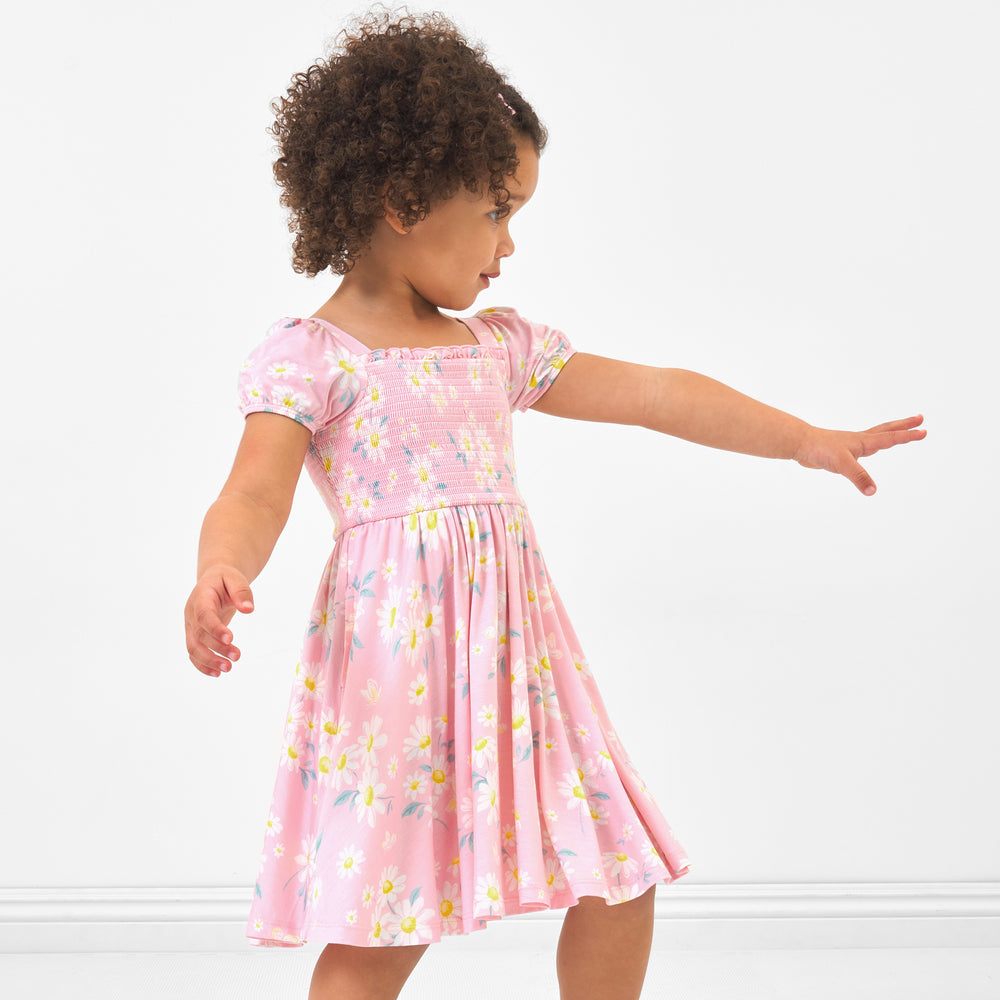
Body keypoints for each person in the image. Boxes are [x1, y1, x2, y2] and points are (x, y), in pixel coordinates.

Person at [183, 10, 925, 999]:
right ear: (405, 199)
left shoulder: (498, 346)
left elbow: (656, 390)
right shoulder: (311, 360)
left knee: (618, 872)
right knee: (384, 928)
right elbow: (254, 489)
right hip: (396, 685)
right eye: (497, 209)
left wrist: (803, 439)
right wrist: (219, 568)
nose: (509, 244)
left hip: (519, 668)